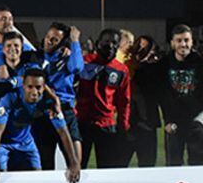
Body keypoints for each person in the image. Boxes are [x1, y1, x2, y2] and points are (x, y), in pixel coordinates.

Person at [0, 68, 80, 183]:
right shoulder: (9, 99)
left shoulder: (50, 103)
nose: (34, 92)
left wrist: (74, 163)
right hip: (4, 143)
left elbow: (64, 132)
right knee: (1, 177)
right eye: (30, 87)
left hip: (26, 142)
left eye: (38, 88)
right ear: (23, 86)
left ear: (44, 87)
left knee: (37, 177)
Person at [145, 24, 203, 166]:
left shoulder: (202, 64)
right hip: (174, 123)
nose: (183, 44)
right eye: (179, 40)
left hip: (197, 122)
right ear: (172, 43)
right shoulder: (163, 65)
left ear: (192, 42)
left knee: (199, 165)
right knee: (173, 167)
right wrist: (168, 120)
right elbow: (162, 95)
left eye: (187, 40)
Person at [76, 29, 131, 169]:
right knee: (78, 166)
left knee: (107, 168)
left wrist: (123, 125)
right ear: (97, 43)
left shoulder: (121, 69)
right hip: (82, 122)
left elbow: (123, 101)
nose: (110, 46)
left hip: (106, 125)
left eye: (114, 43)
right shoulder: (84, 62)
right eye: (106, 41)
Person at [34, 23, 84, 170]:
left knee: (74, 158)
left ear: (62, 43)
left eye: (55, 39)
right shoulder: (36, 57)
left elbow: (77, 67)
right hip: (43, 112)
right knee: (45, 162)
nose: (49, 41)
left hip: (65, 110)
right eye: (48, 37)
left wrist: (75, 41)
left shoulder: (67, 58)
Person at [127, 35, 162, 167]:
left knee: (147, 164)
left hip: (147, 122)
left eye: (145, 47)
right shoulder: (127, 66)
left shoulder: (154, 68)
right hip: (128, 122)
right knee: (119, 164)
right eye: (139, 45)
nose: (141, 49)